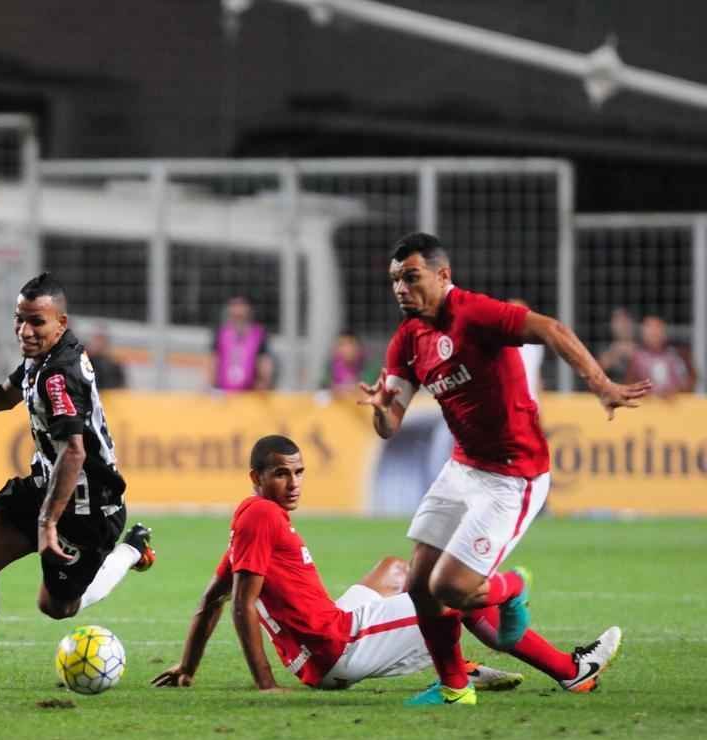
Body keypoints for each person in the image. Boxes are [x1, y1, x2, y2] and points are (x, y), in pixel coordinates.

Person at [358, 232, 648, 706]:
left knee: (451, 587)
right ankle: (455, 689)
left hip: (513, 475)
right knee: (419, 587)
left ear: (443, 275)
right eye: (395, 281)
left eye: (410, 277)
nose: (401, 289)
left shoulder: (475, 313)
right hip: (462, 468)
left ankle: (513, 588)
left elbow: (552, 329)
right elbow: (390, 425)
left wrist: (601, 385)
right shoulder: (408, 339)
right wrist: (378, 408)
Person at [152, 435, 617, 695]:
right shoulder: (261, 516)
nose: (293, 483)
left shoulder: (249, 521)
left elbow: (211, 600)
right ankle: (568, 671)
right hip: (338, 648)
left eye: (299, 472)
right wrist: (265, 685)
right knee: (447, 593)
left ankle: (458, 663)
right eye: (280, 474)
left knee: (395, 569)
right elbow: (241, 606)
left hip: (328, 633)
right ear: (256, 478)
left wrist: (187, 666)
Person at [0, 273, 156, 699]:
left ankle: (130, 550)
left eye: (36, 322)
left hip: (87, 507)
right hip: (48, 484)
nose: (25, 331)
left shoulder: (59, 375)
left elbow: (74, 452)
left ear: (61, 323)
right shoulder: (40, 358)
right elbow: (5, 395)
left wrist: (47, 523)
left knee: (57, 607)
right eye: (19, 319)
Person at [208, 296, 273, 392]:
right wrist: (211, 386)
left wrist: (263, 383)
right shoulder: (220, 332)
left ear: (249, 310)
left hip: (249, 393)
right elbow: (213, 361)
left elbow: (264, 362)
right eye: (235, 305)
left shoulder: (259, 334)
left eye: (241, 305)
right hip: (224, 393)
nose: (238, 310)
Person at [628, 315, 694, 396]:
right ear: (643, 334)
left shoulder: (677, 353)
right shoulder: (637, 357)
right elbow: (630, 385)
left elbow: (692, 378)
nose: (654, 332)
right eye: (649, 329)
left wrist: (678, 390)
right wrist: (647, 393)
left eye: (657, 328)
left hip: (677, 402)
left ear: (664, 332)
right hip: (649, 402)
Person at [597, 307, 637, 384]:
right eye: (619, 321)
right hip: (613, 387)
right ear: (612, 325)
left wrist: (634, 354)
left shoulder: (641, 347)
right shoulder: (605, 348)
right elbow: (595, 371)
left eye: (626, 321)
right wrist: (615, 353)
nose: (623, 325)